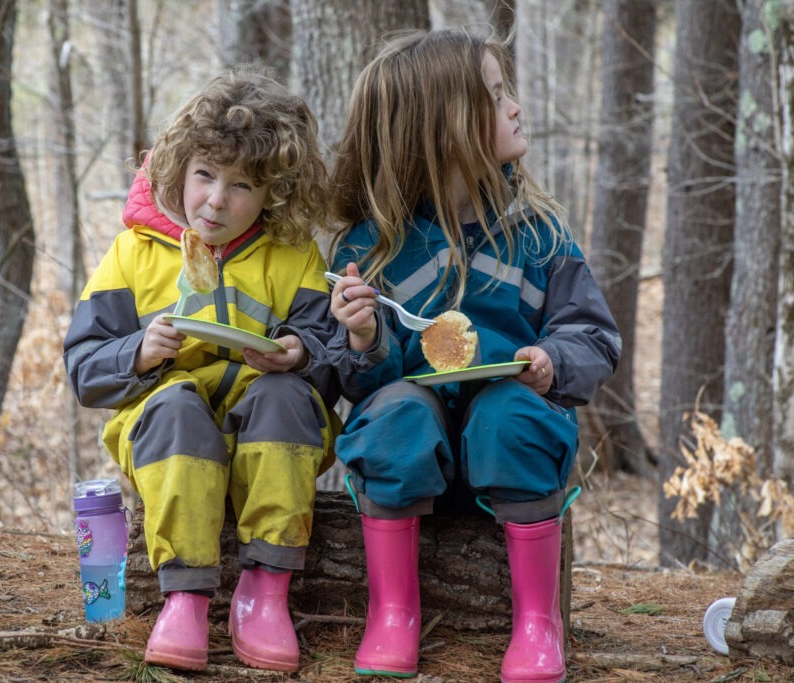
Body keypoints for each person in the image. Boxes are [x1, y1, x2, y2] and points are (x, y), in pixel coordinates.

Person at [327, 29, 621, 682]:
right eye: (494, 96)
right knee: (396, 411)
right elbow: (355, 385)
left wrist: (550, 360)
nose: (514, 106)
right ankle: (393, 613)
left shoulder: (537, 235)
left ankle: (538, 623)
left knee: (509, 411)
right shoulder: (372, 249)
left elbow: (593, 335)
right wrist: (365, 338)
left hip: (512, 457)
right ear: (441, 128)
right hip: (410, 464)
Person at [63, 70, 340, 673]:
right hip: (165, 428)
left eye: (242, 186)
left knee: (285, 396)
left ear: (275, 193)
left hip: (268, 427)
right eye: (205, 176)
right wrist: (138, 350)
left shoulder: (293, 256)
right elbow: (84, 365)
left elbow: (334, 350)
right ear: (180, 168)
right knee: (175, 405)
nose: (217, 200)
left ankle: (265, 593)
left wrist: (297, 353)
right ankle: (184, 598)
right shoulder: (135, 251)